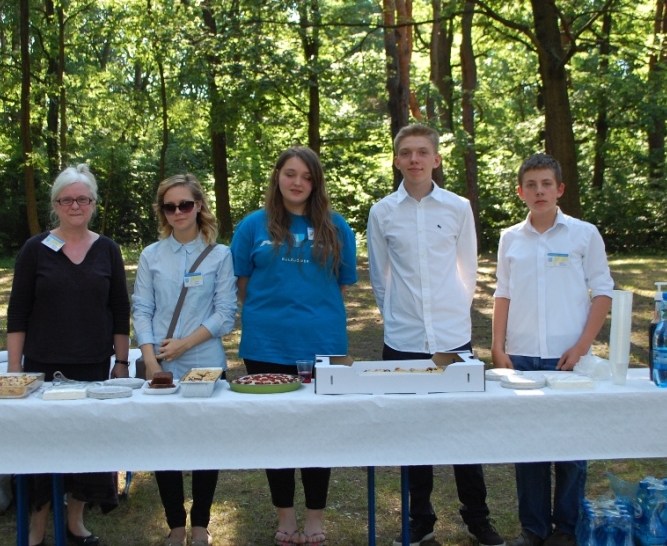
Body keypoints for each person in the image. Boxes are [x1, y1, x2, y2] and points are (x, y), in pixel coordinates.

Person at [366, 124, 504, 546]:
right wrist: (398, 317)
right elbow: (380, 277)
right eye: (406, 152)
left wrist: (452, 319)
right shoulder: (382, 212)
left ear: (436, 159)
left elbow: (468, 270)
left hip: (452, 339)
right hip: (403, 341)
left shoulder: (458, 207)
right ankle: (420, 520)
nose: (414, 159)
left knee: (463, 431)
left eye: (422, 152)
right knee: (412, 434)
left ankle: (477, 519)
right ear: (396, 160)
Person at [231, 146, 357, 546]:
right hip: (266, 344)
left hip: (324, 344)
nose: (297, 182)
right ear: (277, 177)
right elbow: (242, 285)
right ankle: (285, 515)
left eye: (306, 176)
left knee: (320, 431)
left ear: (316, 182)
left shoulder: (337, 226)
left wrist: (312, 316)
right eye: (290, 173)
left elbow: (340, 284)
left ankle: (315, 518)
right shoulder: (252, 225)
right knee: (277, 432)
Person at [491, 153, 613, 546]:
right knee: (529, 450)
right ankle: (534, 528)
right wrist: (497, 345)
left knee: (572, 449)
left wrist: (581, 347)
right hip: (522, 356)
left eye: (546, 184)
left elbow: (603, 291)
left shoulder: (583, 234)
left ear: (560, 189)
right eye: (531, 185)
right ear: (520, 192)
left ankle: (567, 529)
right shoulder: (510, 238)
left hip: (568, 358)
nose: (539, 191)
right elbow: (503, 293)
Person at [7, 164, 130, 546]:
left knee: (88, 446)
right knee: (40, 448)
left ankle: (75, 522)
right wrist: (14, 368)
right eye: (66, 200)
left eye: (82, 199)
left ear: (93, 203)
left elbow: (119, 310)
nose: (75, 206)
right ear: (55, 204)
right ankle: (37, 527)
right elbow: (18, 311)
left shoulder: (108, 250)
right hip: (42, 367)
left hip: (93, 366)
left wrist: (121, 362)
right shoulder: (35, 249)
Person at [132, 173, 237, 546]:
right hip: (161, 364)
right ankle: (176, 525)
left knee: (206, 446)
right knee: (165, 446)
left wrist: (184, 345)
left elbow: (226, 313)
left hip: (206, 362)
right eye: (170, 207)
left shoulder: (220, 255)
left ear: (199, 206)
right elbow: (142, 309)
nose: (178, 212)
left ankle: (200, 524)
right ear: (162, 212)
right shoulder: (151, 255)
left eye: (185, 204)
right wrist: (151, 360)